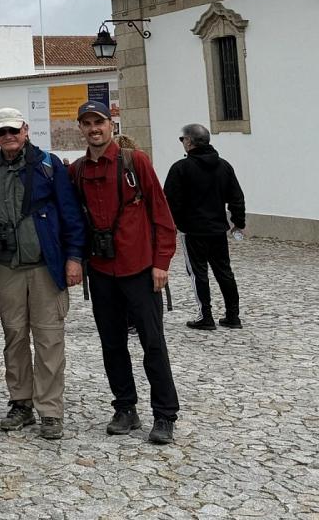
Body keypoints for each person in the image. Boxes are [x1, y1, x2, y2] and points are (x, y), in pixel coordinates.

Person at [0, 107, 86, 441]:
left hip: (45, 264)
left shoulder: (49, 166)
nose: (8, 137)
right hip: (5, 265)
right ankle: (21, 402)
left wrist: (74, 257)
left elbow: (70, 213)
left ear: (25, 130)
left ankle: (50, 410)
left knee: (49, 338)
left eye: (13, 131)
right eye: (1, 133)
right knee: (15, 337)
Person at [71, 102, 180, 445]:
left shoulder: (136, 163)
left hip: (139, 268)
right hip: (101, 270)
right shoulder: (76, 171)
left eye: (99, 122)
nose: (94, 129)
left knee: (152, 343)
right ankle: (125, 408)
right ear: (81, 128)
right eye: (87, 123)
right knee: (112, 343)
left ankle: (165, 414)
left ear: (111, 124)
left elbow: (162, 214)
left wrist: (162, 262)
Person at [164, 123, 246, 330]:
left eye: (183, 139)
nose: (182, 143)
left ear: (189, 141)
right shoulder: (224, 166)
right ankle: (233, 316)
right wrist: (238, 222)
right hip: (217, 228)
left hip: (192, 231)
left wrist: (172, 224)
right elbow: (236, 197)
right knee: (224, 271)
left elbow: (170, 201)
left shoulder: (180, 168)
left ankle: (205, 316)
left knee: (197, 273)